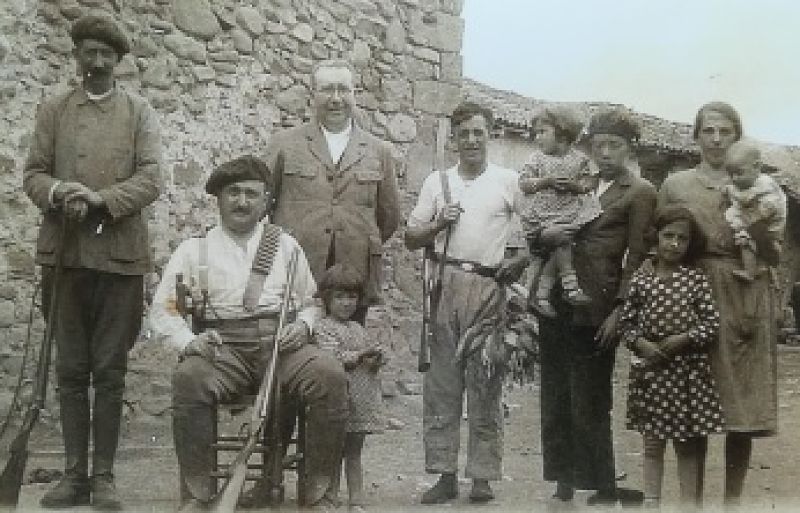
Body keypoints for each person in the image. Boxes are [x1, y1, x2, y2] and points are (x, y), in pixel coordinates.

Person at [149, 156, 347, 511]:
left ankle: (319, 494)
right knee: (188, 378)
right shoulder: (194, 250)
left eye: (251, 194)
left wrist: (303, 326)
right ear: (219, 198)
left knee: (328, 375)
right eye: (233, 192)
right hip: (223, 351)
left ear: (266, 201)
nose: (242, 202)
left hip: (282, 348)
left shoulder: (286, 247)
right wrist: (190, 341)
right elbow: (163, 311)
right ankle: (197, 494)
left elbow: (313, 302)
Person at [22, 13, 162, 510]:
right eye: (90, 53)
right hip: (66, 256)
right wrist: (62, 192)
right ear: (77, 55)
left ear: (119, 61)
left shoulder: (139, 112)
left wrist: (100, 199)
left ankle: (104, 478)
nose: (97, 62)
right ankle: (73, 475)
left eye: (107, 54)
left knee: (109, 370)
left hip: (119, 259)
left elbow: (151, 179)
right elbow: (33, 175)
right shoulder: (55, 110)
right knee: (71, 369)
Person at [529, 109, 657, 506]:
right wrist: (544, 235)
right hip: (557, 300)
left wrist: (621, 311)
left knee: (591, 397)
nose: (605, 153)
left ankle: (602, 484)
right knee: (555, 394)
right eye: (599, 145)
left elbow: (637, 257)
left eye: (614, 145)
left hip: (597, 306)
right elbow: (539, 229)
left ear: (630, 148)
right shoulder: (580, 182)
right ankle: (563, 479)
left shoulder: (639, 192)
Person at [405, 101, 528, 505]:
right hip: (445, 284)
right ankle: (444, 475)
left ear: (490, 135)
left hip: (489, 288)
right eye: (464, 134)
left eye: (479, 132)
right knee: (442, 385)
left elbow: (535, 229)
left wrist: (520, 259)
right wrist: (440, 221)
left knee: (485, 382)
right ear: (454, 139)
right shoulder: (436, 182)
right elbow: (411, 237)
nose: (472, 140)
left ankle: (482, 477)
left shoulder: (508, 181)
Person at [658, 102, 780, 508]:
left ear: (737, 136)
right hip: (691, 291)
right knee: (691, 399)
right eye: (708, 131)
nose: (715, 139)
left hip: (745, 290)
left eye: (724, 131)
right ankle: (690, 502)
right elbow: (660, 242)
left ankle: (732, 502)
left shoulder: (762, 186)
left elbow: (776, 251)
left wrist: (755, 225)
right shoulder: (677, 185)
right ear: (696, 136)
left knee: (740, 405)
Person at [266, 59, 400, 323]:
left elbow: (389, 217)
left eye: (343, 89)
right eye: (327, 89)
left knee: (348, 343)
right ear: (313, 95)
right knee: (293, 340)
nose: (336, 99)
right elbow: (264, 201)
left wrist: (356, 239)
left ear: (354, 94)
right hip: (298, 267)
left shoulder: (379, 151)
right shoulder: (284, 144)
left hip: (353, 276)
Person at [620, 206, 724, 509]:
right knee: (653, 443)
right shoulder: (641, 279)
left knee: (686, 444)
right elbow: (627, 324)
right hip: (651, 373)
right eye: (668, 236)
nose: (674, 244)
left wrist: (684, 338)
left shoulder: (695, 279)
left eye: (682, 238)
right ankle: (652, 502)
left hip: (685, 373)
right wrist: (641, 344)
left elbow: (711, 324)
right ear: (656, 236)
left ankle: (688, 505)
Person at [312, 264, 385, 511]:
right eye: (340, 297)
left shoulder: (358, 329)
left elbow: (369, 363)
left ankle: (356, 499)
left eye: (352, 297)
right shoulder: (323, 328)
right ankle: (328, 497)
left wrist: (376, 358)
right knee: (333, 452)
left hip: (360, 402)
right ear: (327, 299)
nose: (346, 303)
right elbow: (333, 358)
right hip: (338, 402)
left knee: (354, 453)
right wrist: (362, 354)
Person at [519, 106, 602, 317]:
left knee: (561, 248)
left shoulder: (579, 159)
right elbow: (524, 183)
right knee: (561, 243)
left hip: (568, 213)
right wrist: (545, 181)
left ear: (563, 134)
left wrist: (576, 186)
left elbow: (590, 181)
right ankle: (570, 287)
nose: (537, 138)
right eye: (536, 133)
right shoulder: (537, 158)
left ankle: (542, 295)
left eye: (542, 132)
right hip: (541, 217)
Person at [722, 140, 787, 282]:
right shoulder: (747, 182)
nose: (734, 178)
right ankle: (761, 265)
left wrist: (746, 220)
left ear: (757, 167)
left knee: (745, 239)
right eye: (730, 174)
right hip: (757, 221)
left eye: (739, 173)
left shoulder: (766, 185)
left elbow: (769, 208)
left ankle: (749, 271)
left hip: (769, 226)